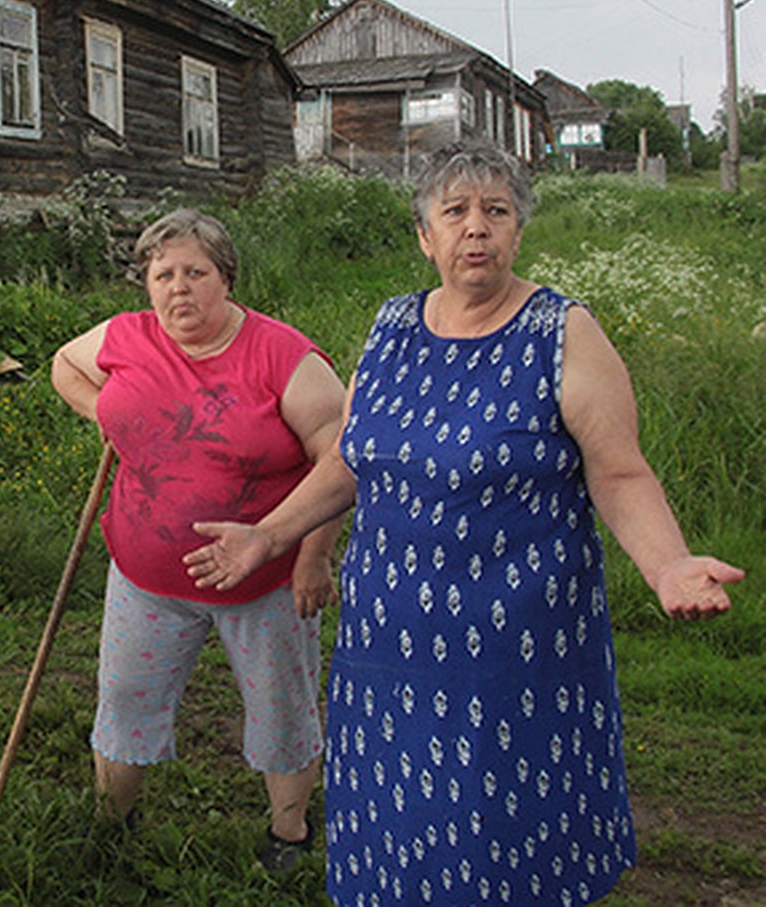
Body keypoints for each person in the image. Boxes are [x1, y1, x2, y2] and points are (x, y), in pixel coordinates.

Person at [185, 139, 745, 906]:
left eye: (496, 211)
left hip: (515, 654)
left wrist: (668, 564)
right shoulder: (391, 327)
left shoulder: (562, 333)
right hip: (390, 647)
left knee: (504, 839)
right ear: (426, 236)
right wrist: (270, 535)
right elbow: (355, 457)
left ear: (518, 232)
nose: (475, 227)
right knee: (397, 827)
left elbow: (618, 472)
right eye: (455, 212)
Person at [51, 208, 347, 868]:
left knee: (281, 707)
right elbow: (64, 365)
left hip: (263, 582)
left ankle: (289, 833)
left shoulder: (282, 356)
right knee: (126, 699)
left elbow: (340, 456)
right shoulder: (127, 338)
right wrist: (111, 418)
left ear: (227, 279)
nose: (178, 289)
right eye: (163, 275)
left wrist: (313, 555)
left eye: (195, 272)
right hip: (143, 577)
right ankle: (114, 826)